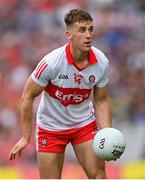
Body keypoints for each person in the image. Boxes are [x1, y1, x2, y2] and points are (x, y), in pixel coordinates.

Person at [9, 8, 112, 179]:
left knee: (99, 176)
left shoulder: (101, 62)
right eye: (82, 30)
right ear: (69, 34)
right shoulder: (51, 62)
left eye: (91, 29)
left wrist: (107, 133)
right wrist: (26, 137)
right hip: (51, 127)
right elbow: (27, 96)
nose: (88, 35)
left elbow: (101, 100)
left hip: (83, 124)